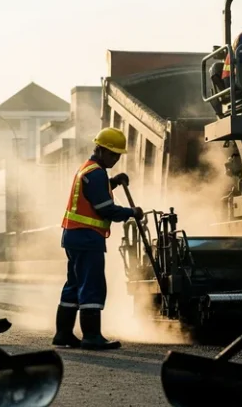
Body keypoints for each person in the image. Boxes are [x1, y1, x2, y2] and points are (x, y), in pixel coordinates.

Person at [53, 127, 144, 350]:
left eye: (118, 155)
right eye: (113, 154)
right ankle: (91, 336)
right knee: (91, 285)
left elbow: (96, 192)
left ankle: (63, 334)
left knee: (74, 285)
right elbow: (105, 208)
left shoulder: (89, 169)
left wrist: (114, 182)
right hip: (87, 237)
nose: (116, 159)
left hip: (74, 236)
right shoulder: (96, 173)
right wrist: (132, 212)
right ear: (100, 150)